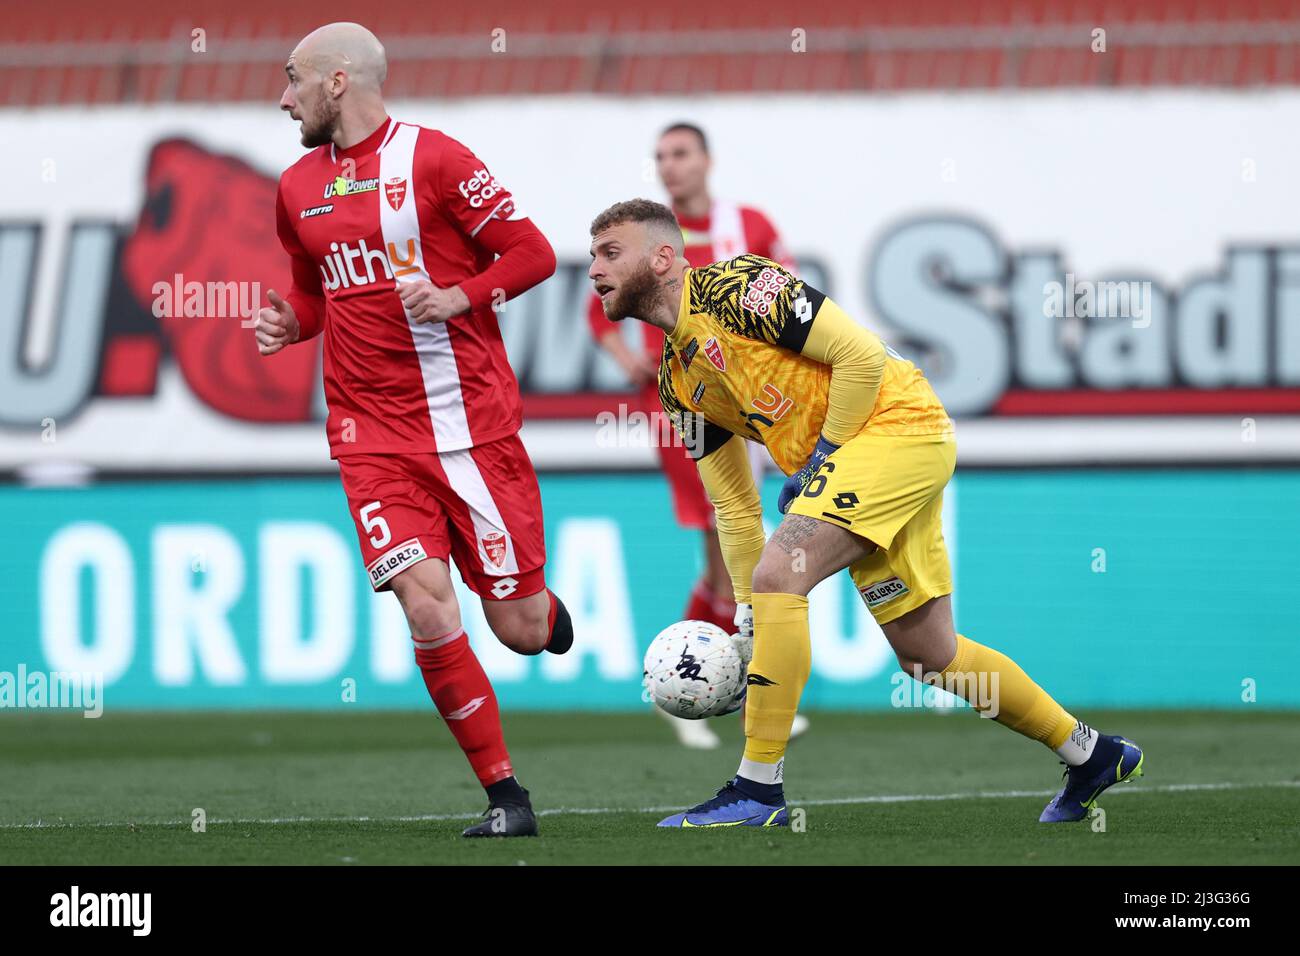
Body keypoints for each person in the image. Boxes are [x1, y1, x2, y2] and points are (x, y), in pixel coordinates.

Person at [587, 198, 1145, 828]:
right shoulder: (675, 382)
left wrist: (820, 458)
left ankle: (756, 790)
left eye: (610, 253)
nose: (594, 270)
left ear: (664, 258)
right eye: (592, 256)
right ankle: (1091, 754)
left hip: (896, 427)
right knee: (926, 654)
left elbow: (860, 356)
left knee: (782, 574)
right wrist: (748, 621)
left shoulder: (737, 285)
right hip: (858, 465)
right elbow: (735, 505)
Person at [256, 22, 571, 838]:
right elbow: (316, 293)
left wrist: (462, 296)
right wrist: (288, 323)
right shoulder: (295, 186)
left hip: (471, 430)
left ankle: (541, 609)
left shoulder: (436, 160)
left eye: (293, 81)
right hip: (369, 439)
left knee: (521, 630)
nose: (282, 98)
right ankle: (508, 798)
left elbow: (531, 254)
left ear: (336, 82)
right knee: (428, 611)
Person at [587, 123, 804, 749]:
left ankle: (726, 681)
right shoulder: (644, 240)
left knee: (742, 547)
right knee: (724, 545)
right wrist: (624, 356)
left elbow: (783, 300)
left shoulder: (749, 227)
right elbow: (594, 313)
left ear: (707, 160)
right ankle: (697, 684)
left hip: (758, 405)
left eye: (680, 154)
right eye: (659, 157)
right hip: (689, 407)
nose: (669, 166)